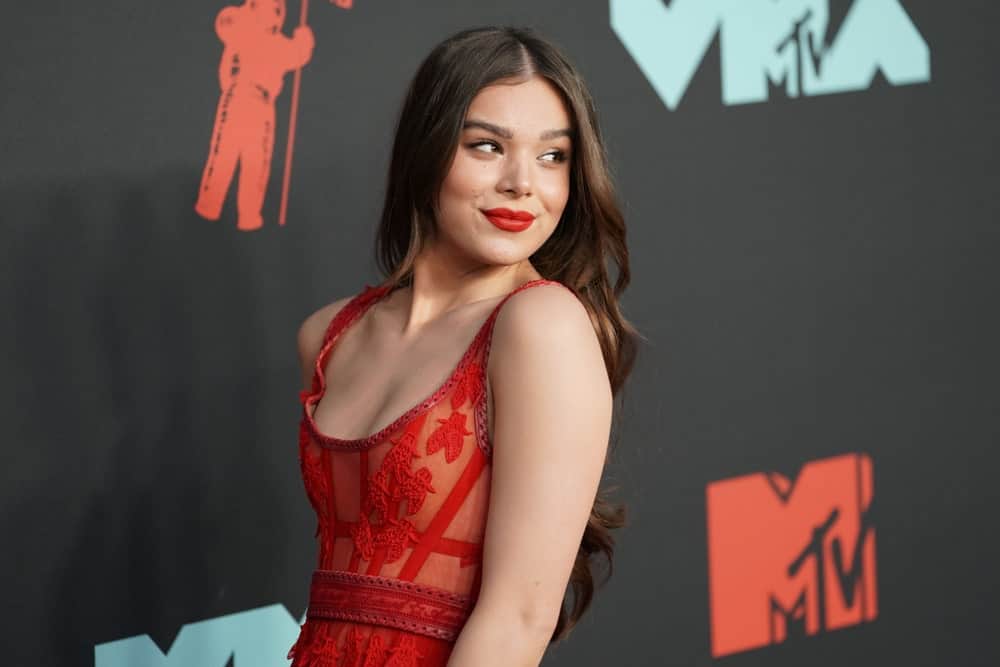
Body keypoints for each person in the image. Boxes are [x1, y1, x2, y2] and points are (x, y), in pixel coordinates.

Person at [288, 25, 639, 667]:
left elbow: (518, 620)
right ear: (426, 152)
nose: (521, 183)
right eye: (486, 146)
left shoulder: (541, 326)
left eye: (553, 156)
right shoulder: (329, 336)